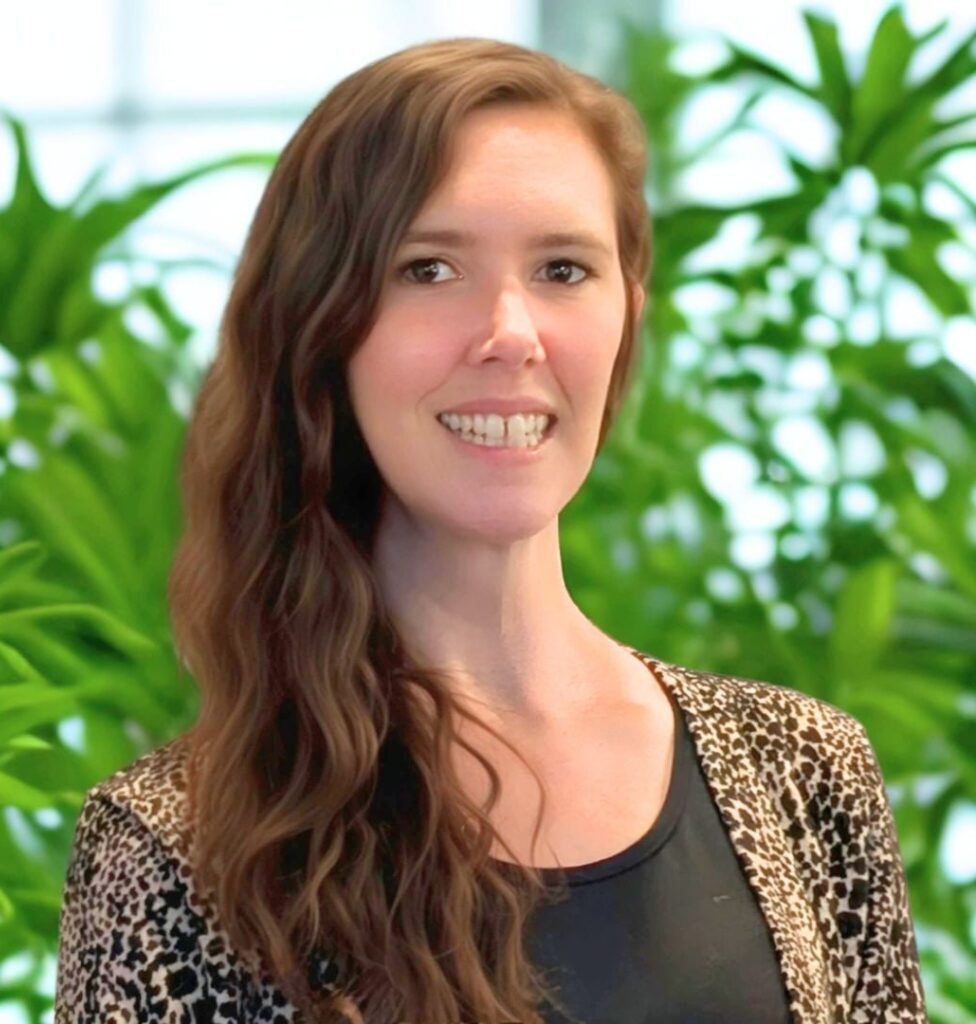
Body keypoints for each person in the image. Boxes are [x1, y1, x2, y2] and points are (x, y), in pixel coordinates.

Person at [53, 36, 927, 1024]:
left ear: (627, 317)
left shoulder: (803, 770)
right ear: (319, 326)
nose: (511, 331)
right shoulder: (179, 849)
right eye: (428, 269)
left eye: (562, 268)